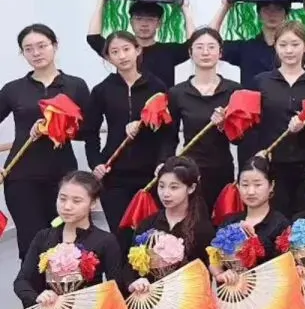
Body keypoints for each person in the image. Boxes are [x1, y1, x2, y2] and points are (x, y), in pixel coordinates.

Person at [1, 24, 93, 260]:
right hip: (21, 177)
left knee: (67, 240)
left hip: (63, 177)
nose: (36, 53)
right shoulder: (13, 89)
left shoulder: (75, 85)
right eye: (28, 49)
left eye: (42, 46)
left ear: (55, 45)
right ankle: (33, 285)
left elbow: (88, 130)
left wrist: (59, 126)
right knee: (31, 242)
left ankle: (67, 285)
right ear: (23, 53)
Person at [84, 32, 171, 235]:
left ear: (137, 50)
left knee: (150, 235)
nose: (122, 56)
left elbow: (167, 132)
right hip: (114, 175)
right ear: (108, 57)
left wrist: (162, 162)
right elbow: (90, 132)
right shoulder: (101, 90)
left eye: (126, 49)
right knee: (120, 234)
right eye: (115, 52)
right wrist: (96, 162)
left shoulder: (157, 86)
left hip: (150, 174)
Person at [251, 21, 305, 217]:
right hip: (271, 164)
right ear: (275, 46)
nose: (289, 50)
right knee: (274, 219)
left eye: (295, 44)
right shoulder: (261, 82)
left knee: (304, 219)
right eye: (283, 45)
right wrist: (256, 155)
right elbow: (252, 126)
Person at [13, 171, 123, 308]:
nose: (67, 207)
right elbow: (22, 281)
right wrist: (37, 297)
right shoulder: (44, 237)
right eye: (62, 199)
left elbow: (117, 286)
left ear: (93, 203)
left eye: (76, 201)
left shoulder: (105, 240)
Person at [165, 27, 242, 210]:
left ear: (220, 52)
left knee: (222, 219)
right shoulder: (177, 92)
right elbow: (169, 137)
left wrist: (224, 125)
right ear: (190, 53)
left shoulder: (234, 91)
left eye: (211, 47)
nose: (205, 52)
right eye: (199, 47)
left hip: (222, 168)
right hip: (189, 171)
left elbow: (241, 138)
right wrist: (165, 166)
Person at [128, 156, 215, 292]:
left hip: (187, 296)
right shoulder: (148, 224)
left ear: (191, 188)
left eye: (174, 187)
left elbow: (205, 274)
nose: (165, 194)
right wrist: (134, 282)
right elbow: (130, 267)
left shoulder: (202, 229)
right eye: (161, 186)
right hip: (149, 296)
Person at [210, 0, 305, 87]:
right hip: (253, 108)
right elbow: (210, 42)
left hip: (288, 105)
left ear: (286, 14)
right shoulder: (245, 48)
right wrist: (225, 6)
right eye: (266, 9)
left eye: (278, 9)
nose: (272, 14)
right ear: (259, 14)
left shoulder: (292, 50)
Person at [211, 156, 290, 288]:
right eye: (245, 185)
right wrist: (219, 274)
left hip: (268, 292)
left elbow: (284, 267)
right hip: (231, 293)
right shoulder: (229, 222)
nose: (250, 191)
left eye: (257, 185)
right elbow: (214, 258)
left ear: (271, 186)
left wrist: (253, 240)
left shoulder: (280, 224)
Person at [87, 0, 193, 87]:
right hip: (127, 102)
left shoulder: (169, 51)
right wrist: (101, 1)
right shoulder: (122, 51)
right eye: (138, 19)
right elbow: (93, 38)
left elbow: (193, 44)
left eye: (150, 19)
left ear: (159, 23)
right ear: (131, 22)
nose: (144, 24)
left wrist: (185, 9)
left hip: (161, 103)